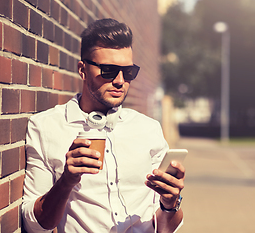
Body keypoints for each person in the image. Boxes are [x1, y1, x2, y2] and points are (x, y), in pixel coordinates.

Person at [22, 18, 185, 233]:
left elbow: (164, 228)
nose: (119, 81)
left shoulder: (148, 129)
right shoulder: (45, 127)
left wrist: (170, 204)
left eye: (128, 72)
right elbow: (34, 226)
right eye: (108, 70)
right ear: (82, 70)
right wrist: (66, 182)